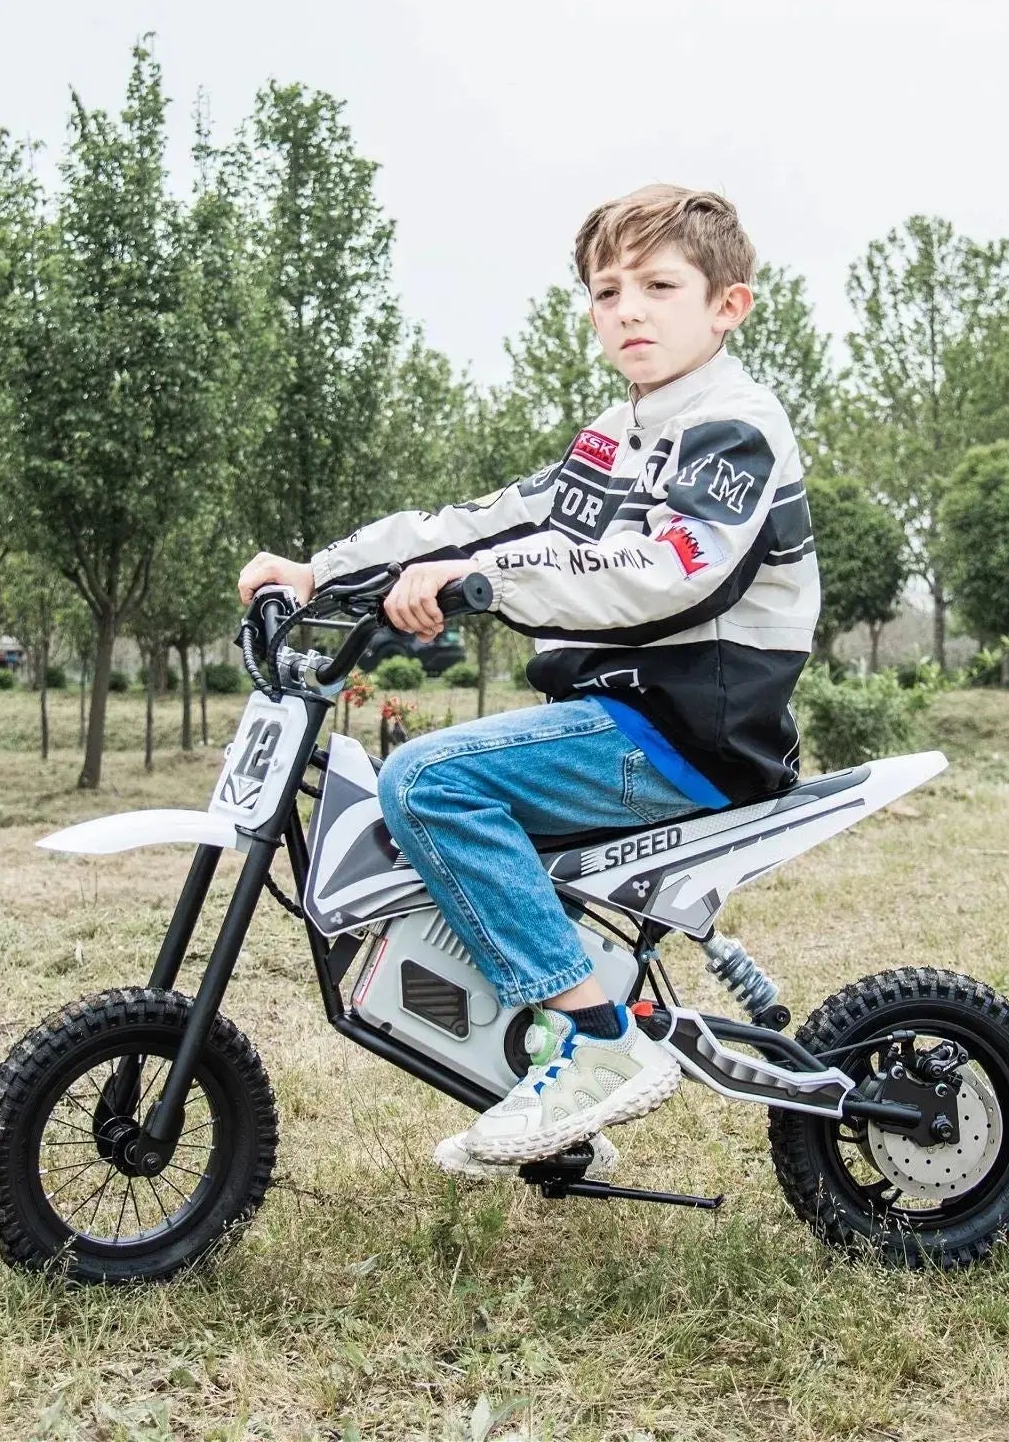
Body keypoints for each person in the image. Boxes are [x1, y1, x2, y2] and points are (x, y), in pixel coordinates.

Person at [237, 183, 819, 1176]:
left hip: (694, 730)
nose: (627, 310)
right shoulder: (618, 434)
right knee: (440, 806)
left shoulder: (733, 427)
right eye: (606, 291)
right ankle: (553, 1050)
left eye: (658, 287)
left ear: (728, 306)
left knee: (429, 782)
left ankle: (597, 1043)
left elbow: (670, 565)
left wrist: (488, 581)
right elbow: (492, 518)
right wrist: (321, 570)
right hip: (626, 717)